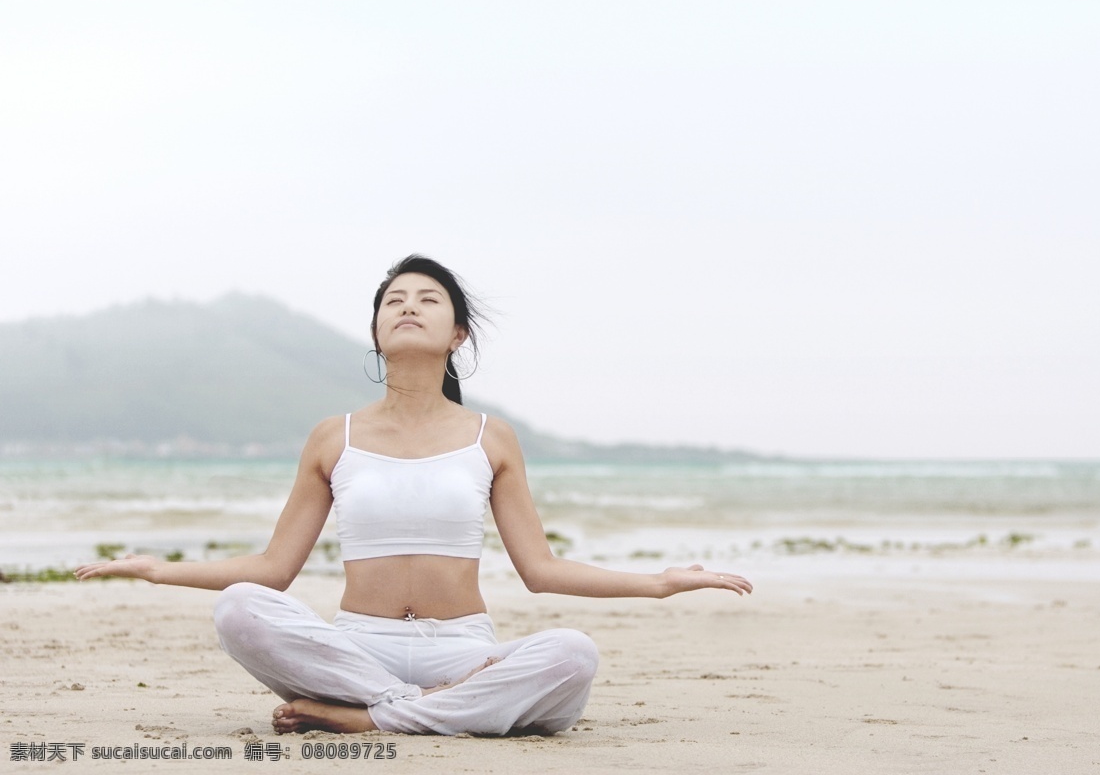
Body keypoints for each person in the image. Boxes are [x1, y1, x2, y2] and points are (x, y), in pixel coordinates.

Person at [75, 255, 753, 737]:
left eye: (428, 299)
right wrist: (159, 570)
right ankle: (432, 709)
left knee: (573, 656)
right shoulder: (331, 436)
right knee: (239, 611)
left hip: (462, 647)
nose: (408, 306)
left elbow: (541, 573)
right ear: (375, 332)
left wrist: (658, 583)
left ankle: (373, 717)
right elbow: (273, 569)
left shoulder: (491, 437)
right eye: (394, 300)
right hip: (355, 651)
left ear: (457, 334)